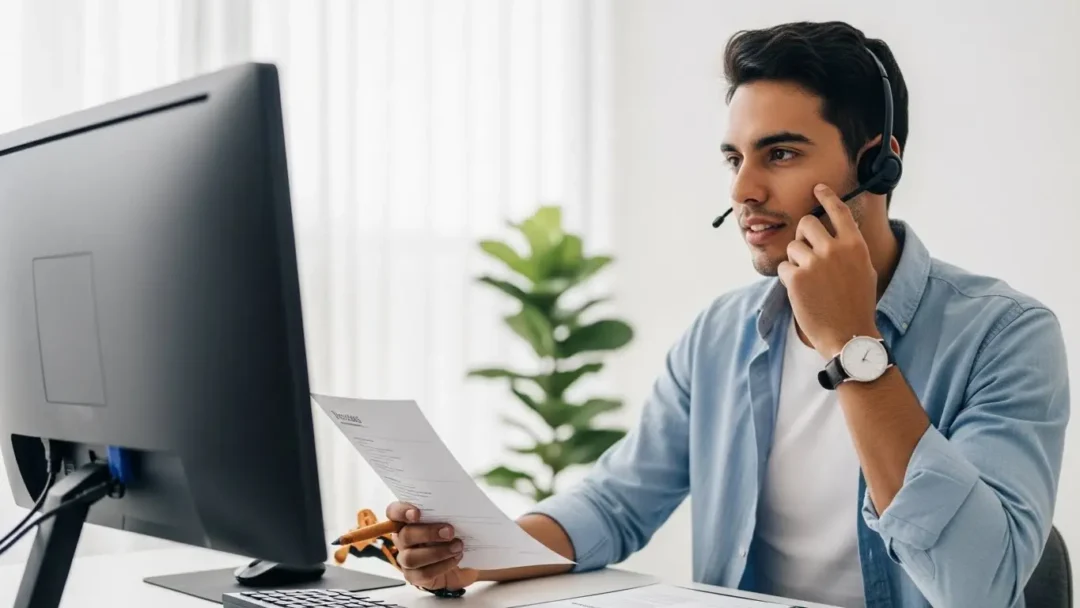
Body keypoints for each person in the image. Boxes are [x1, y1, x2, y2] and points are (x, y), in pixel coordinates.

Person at [383, 20, 1070, 608]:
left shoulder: (1005, 336)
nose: (744, 189)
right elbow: (614, 505)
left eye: (780, 153)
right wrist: (479, 554)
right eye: (735, 158)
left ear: (878, 165)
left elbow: (982, 587)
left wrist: (852, 343)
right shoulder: (721, 334)